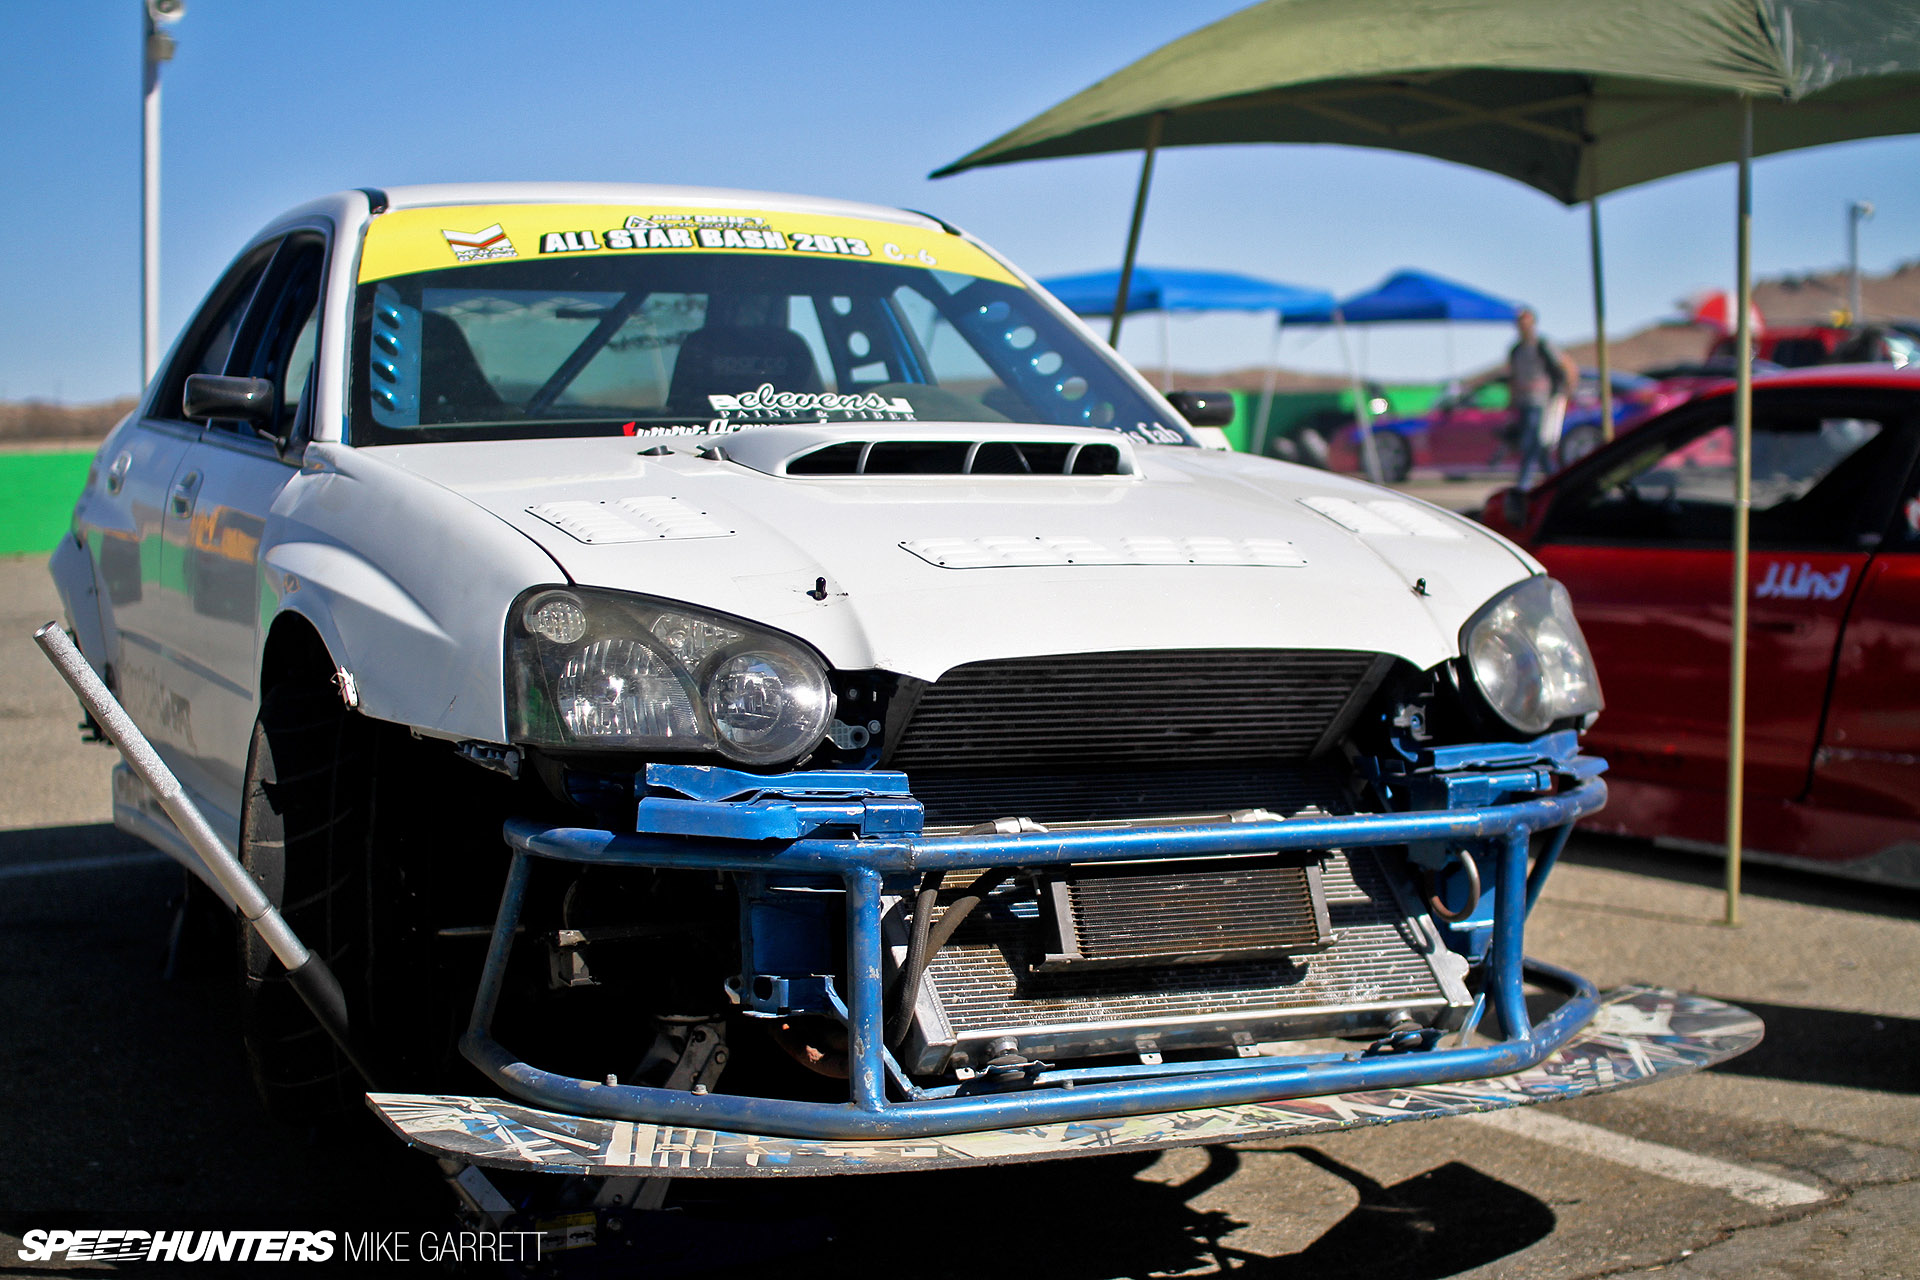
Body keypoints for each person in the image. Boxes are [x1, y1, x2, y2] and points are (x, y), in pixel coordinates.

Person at [1508, 308, 1580, 490]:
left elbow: (1564, 365)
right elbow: (1513, 376)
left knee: (1532, 440)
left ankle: (1524, 482)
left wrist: (1565, 390)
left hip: (1541, 400)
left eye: (1526, 321)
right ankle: (1554, 477)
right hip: (1523, 401)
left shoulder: (1543, 345)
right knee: (1536, 444)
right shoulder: (1516, 350)